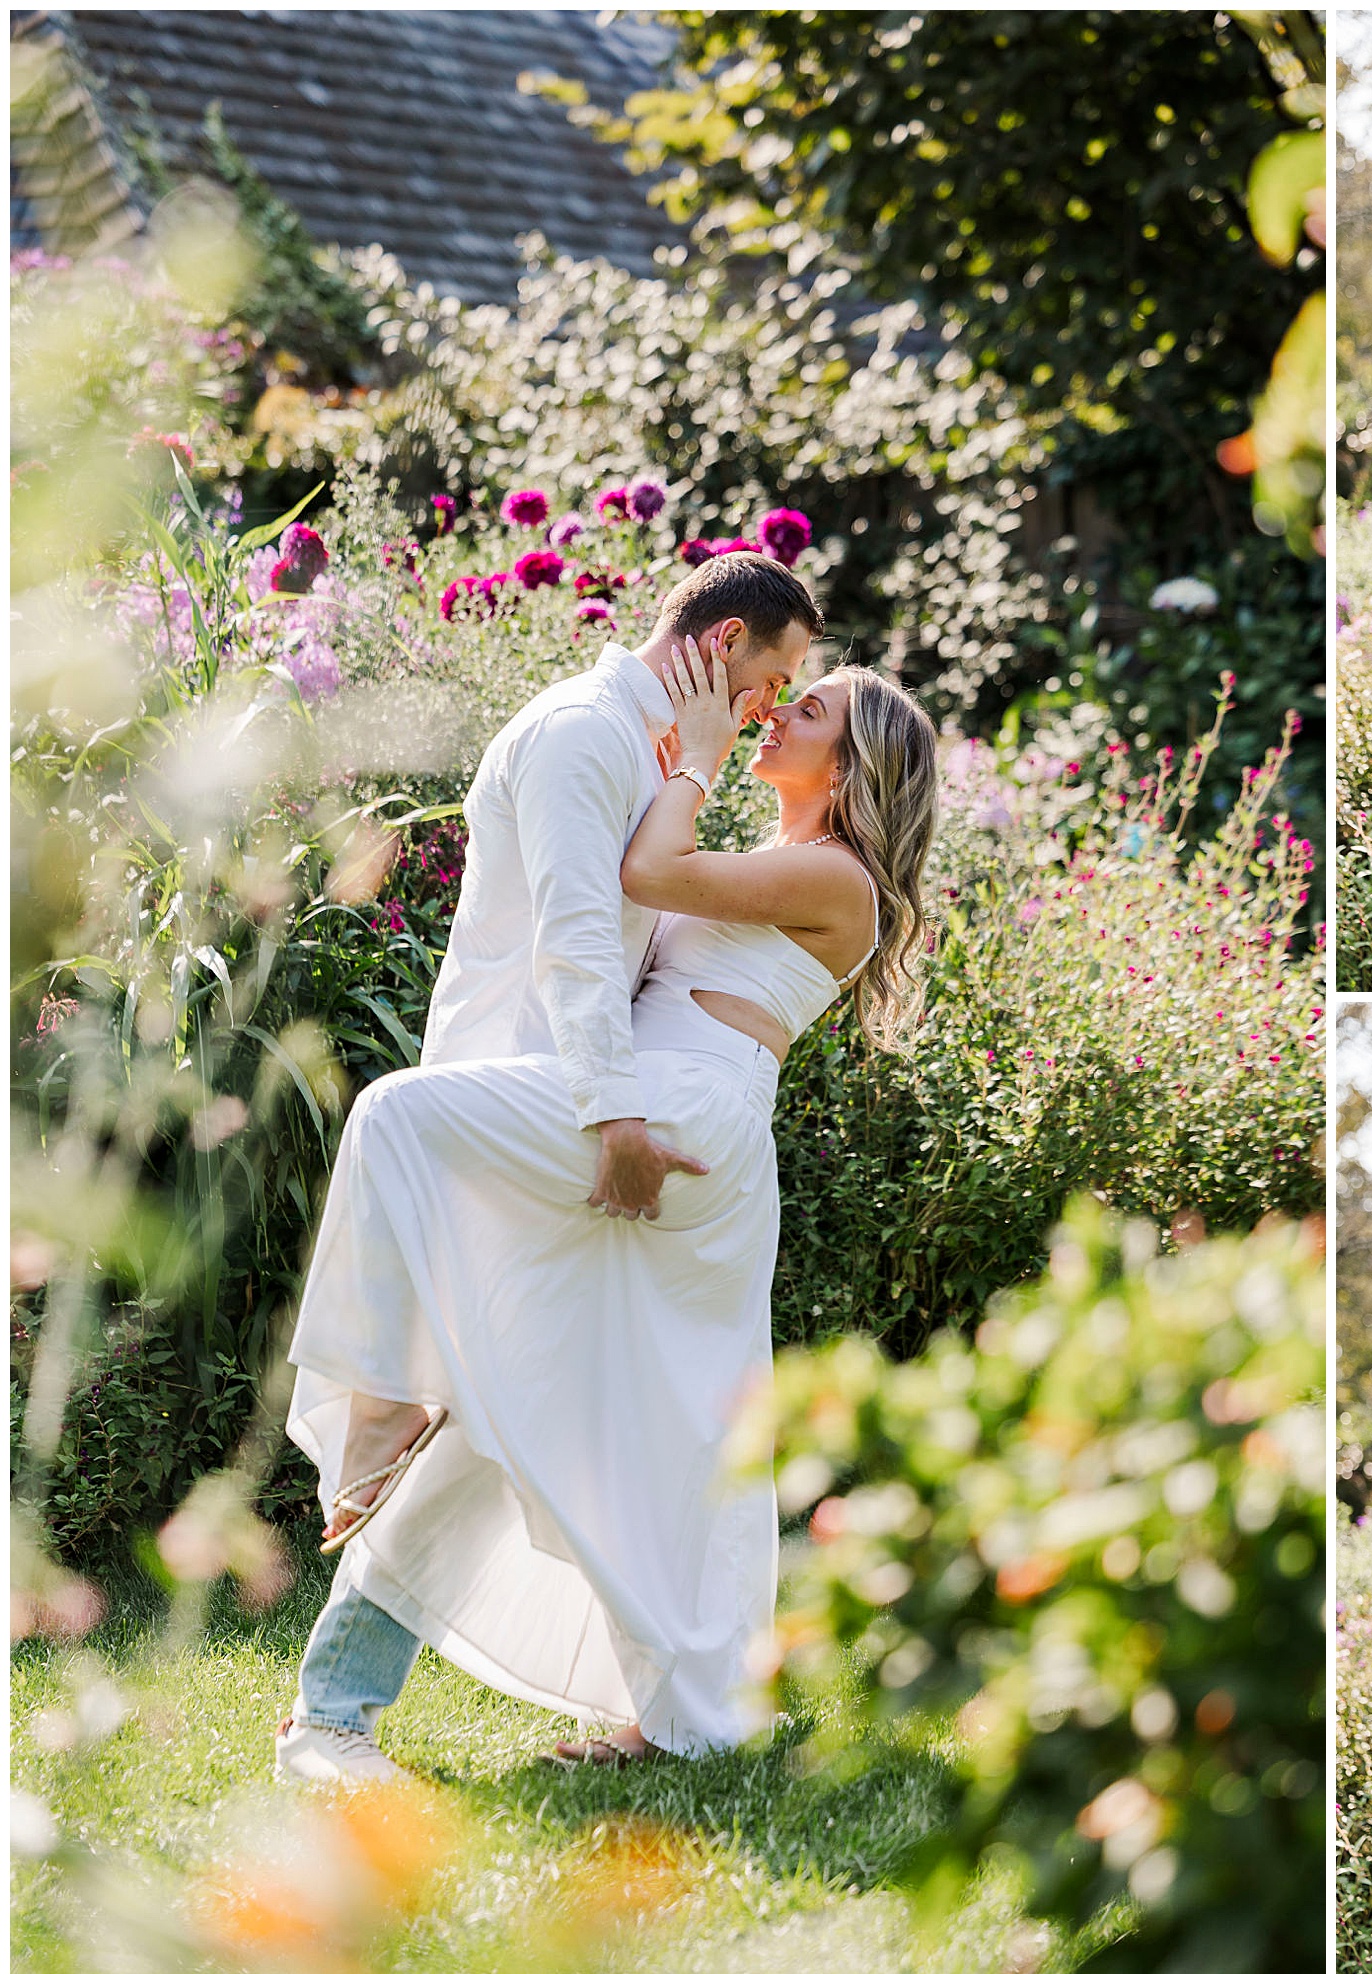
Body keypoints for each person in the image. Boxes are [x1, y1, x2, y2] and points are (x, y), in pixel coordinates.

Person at [273, 549, 939, 1780]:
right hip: (649, 1107)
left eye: (808, 706)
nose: (776, 708)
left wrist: (686, 754)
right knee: (539, 1416)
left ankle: (377, 1408)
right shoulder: (705, 808)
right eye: (784, 682)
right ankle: (639, 1715)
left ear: (848, 766)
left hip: (681, 1116)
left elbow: (639, 882)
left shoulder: (832, 873)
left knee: (397, 1119)